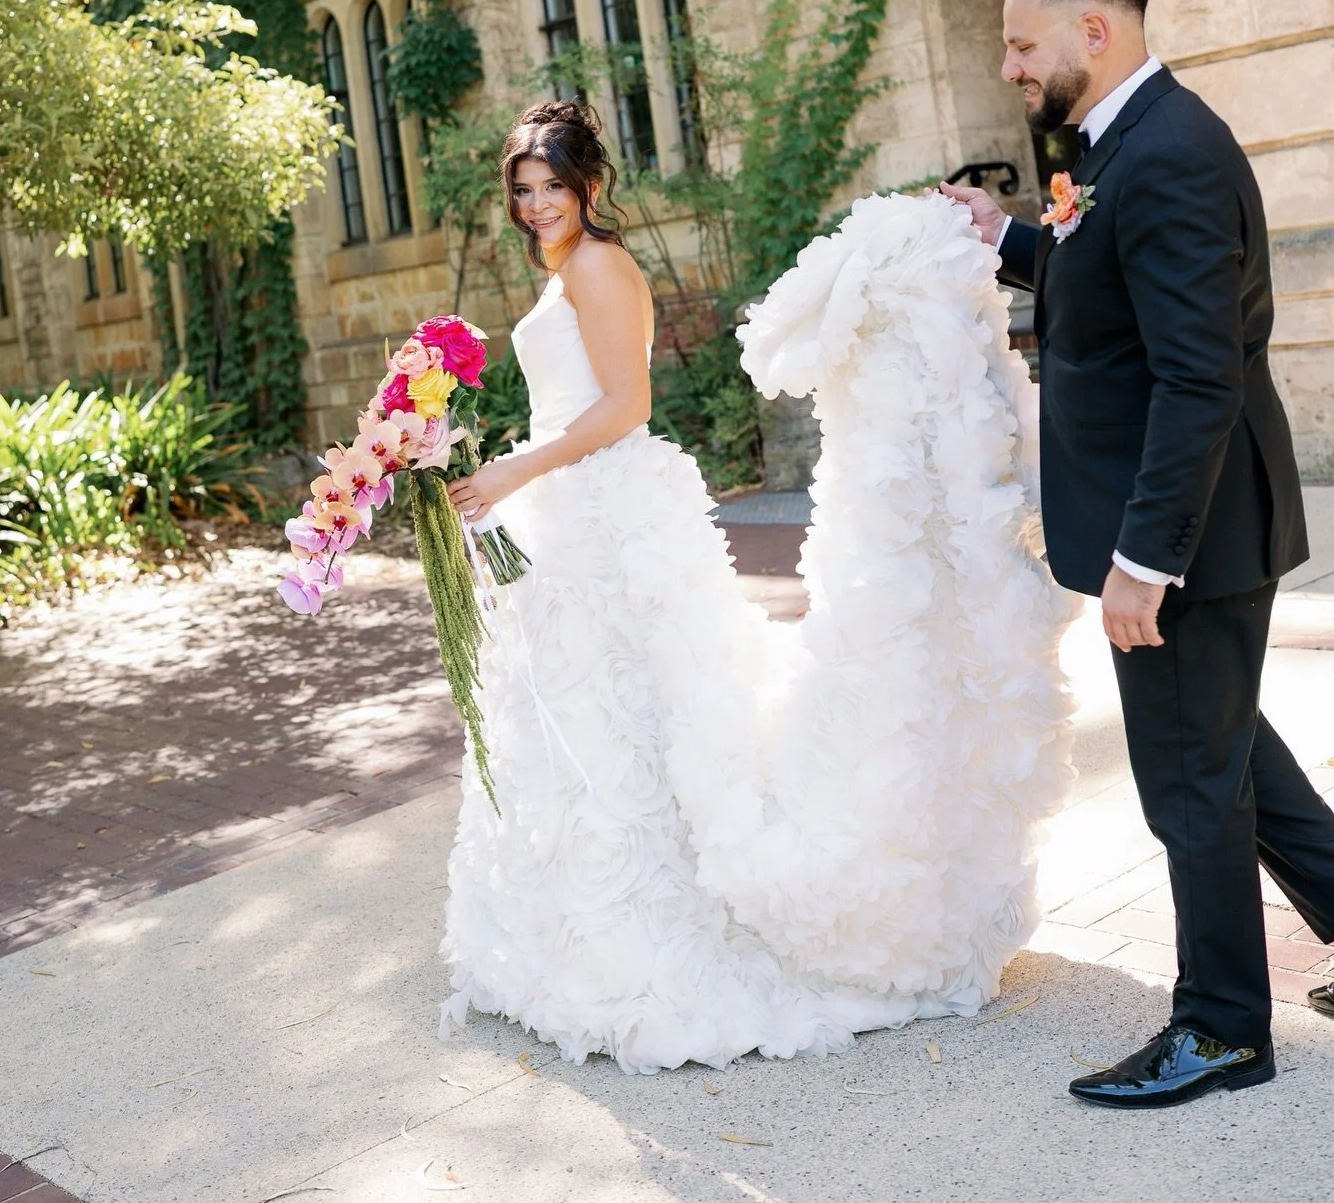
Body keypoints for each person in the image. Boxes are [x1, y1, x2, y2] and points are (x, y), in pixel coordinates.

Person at [439, 99, 1075, 1074]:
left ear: (589, 186)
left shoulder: (604, 266)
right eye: (523, 191)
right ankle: (566, 932)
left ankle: (653, 937)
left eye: (551, 188)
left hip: (603, 506)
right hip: (566, 511)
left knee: (630, 718)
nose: (535, 206)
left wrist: (517, 470)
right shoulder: (561, 270)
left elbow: (626, 404)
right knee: (578, 718)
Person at [942, 0, 1334, 1109]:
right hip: (1202, 528)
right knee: (1223, 753)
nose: (1012, 67)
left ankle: (1219, 1030)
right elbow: (1108, 288)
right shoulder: (1126, 144)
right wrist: (1006, 238)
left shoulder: (1164, 154)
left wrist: (1139, 564)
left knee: (1189, 788)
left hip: (1187, 539)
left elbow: (1197, 380)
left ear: (1091, 31)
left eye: (1023, 43)